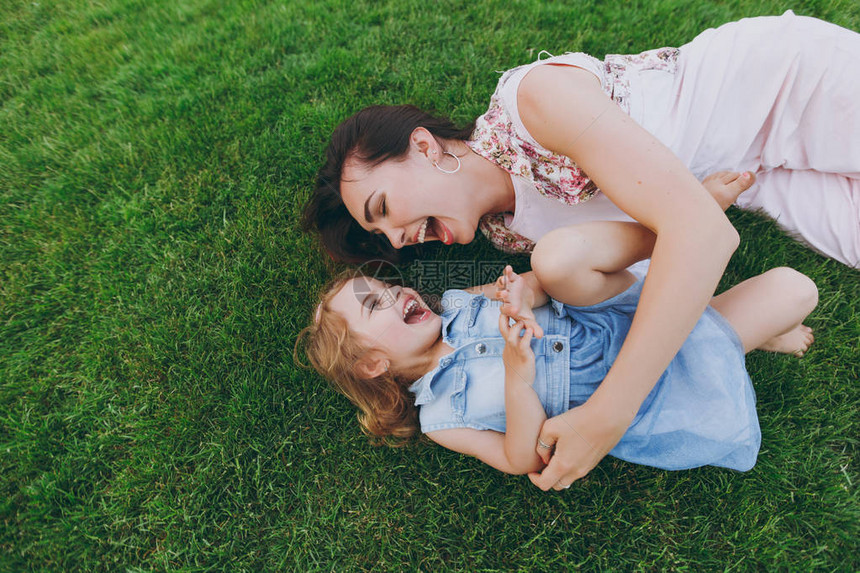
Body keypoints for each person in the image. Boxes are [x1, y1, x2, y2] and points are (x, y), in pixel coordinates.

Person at [303, 11, 856, 489]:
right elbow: (649, 288)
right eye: (383, 238)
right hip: (762, 179)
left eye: (382, 210)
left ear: (423, 146)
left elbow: (702, 237)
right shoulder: (509, 234)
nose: (398, 241)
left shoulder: (533, 102)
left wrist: (606, 417)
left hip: (781, 92)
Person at [298, 222, 818, 485]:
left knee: (796, 290)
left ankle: (717, 316)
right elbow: (518, 458)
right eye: (376, 307)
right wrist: (517, 381)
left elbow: (530, 286)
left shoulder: (460, 304)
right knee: (793, 292)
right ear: (373, 364)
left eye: (385, 287)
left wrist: (522, 293)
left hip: (618, 316)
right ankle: (732, 333)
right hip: (643, 393)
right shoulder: (442, 417)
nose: (395, 294)